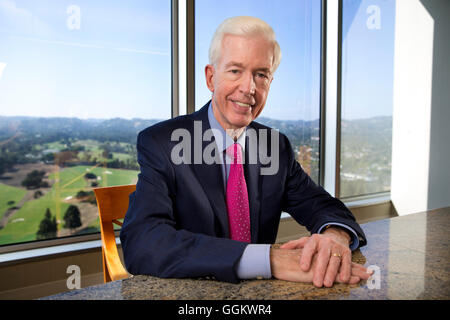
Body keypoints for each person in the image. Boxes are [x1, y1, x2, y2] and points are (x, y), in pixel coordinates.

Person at [120, 16, 372, 287]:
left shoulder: (275, 146)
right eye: (235, 71)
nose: (248, 88)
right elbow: (143, 241)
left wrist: (334, 237)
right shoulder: (164, 143)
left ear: (270, 83)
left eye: (261, 74)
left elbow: (323, 206)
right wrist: (270, 260)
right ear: (210, 77)